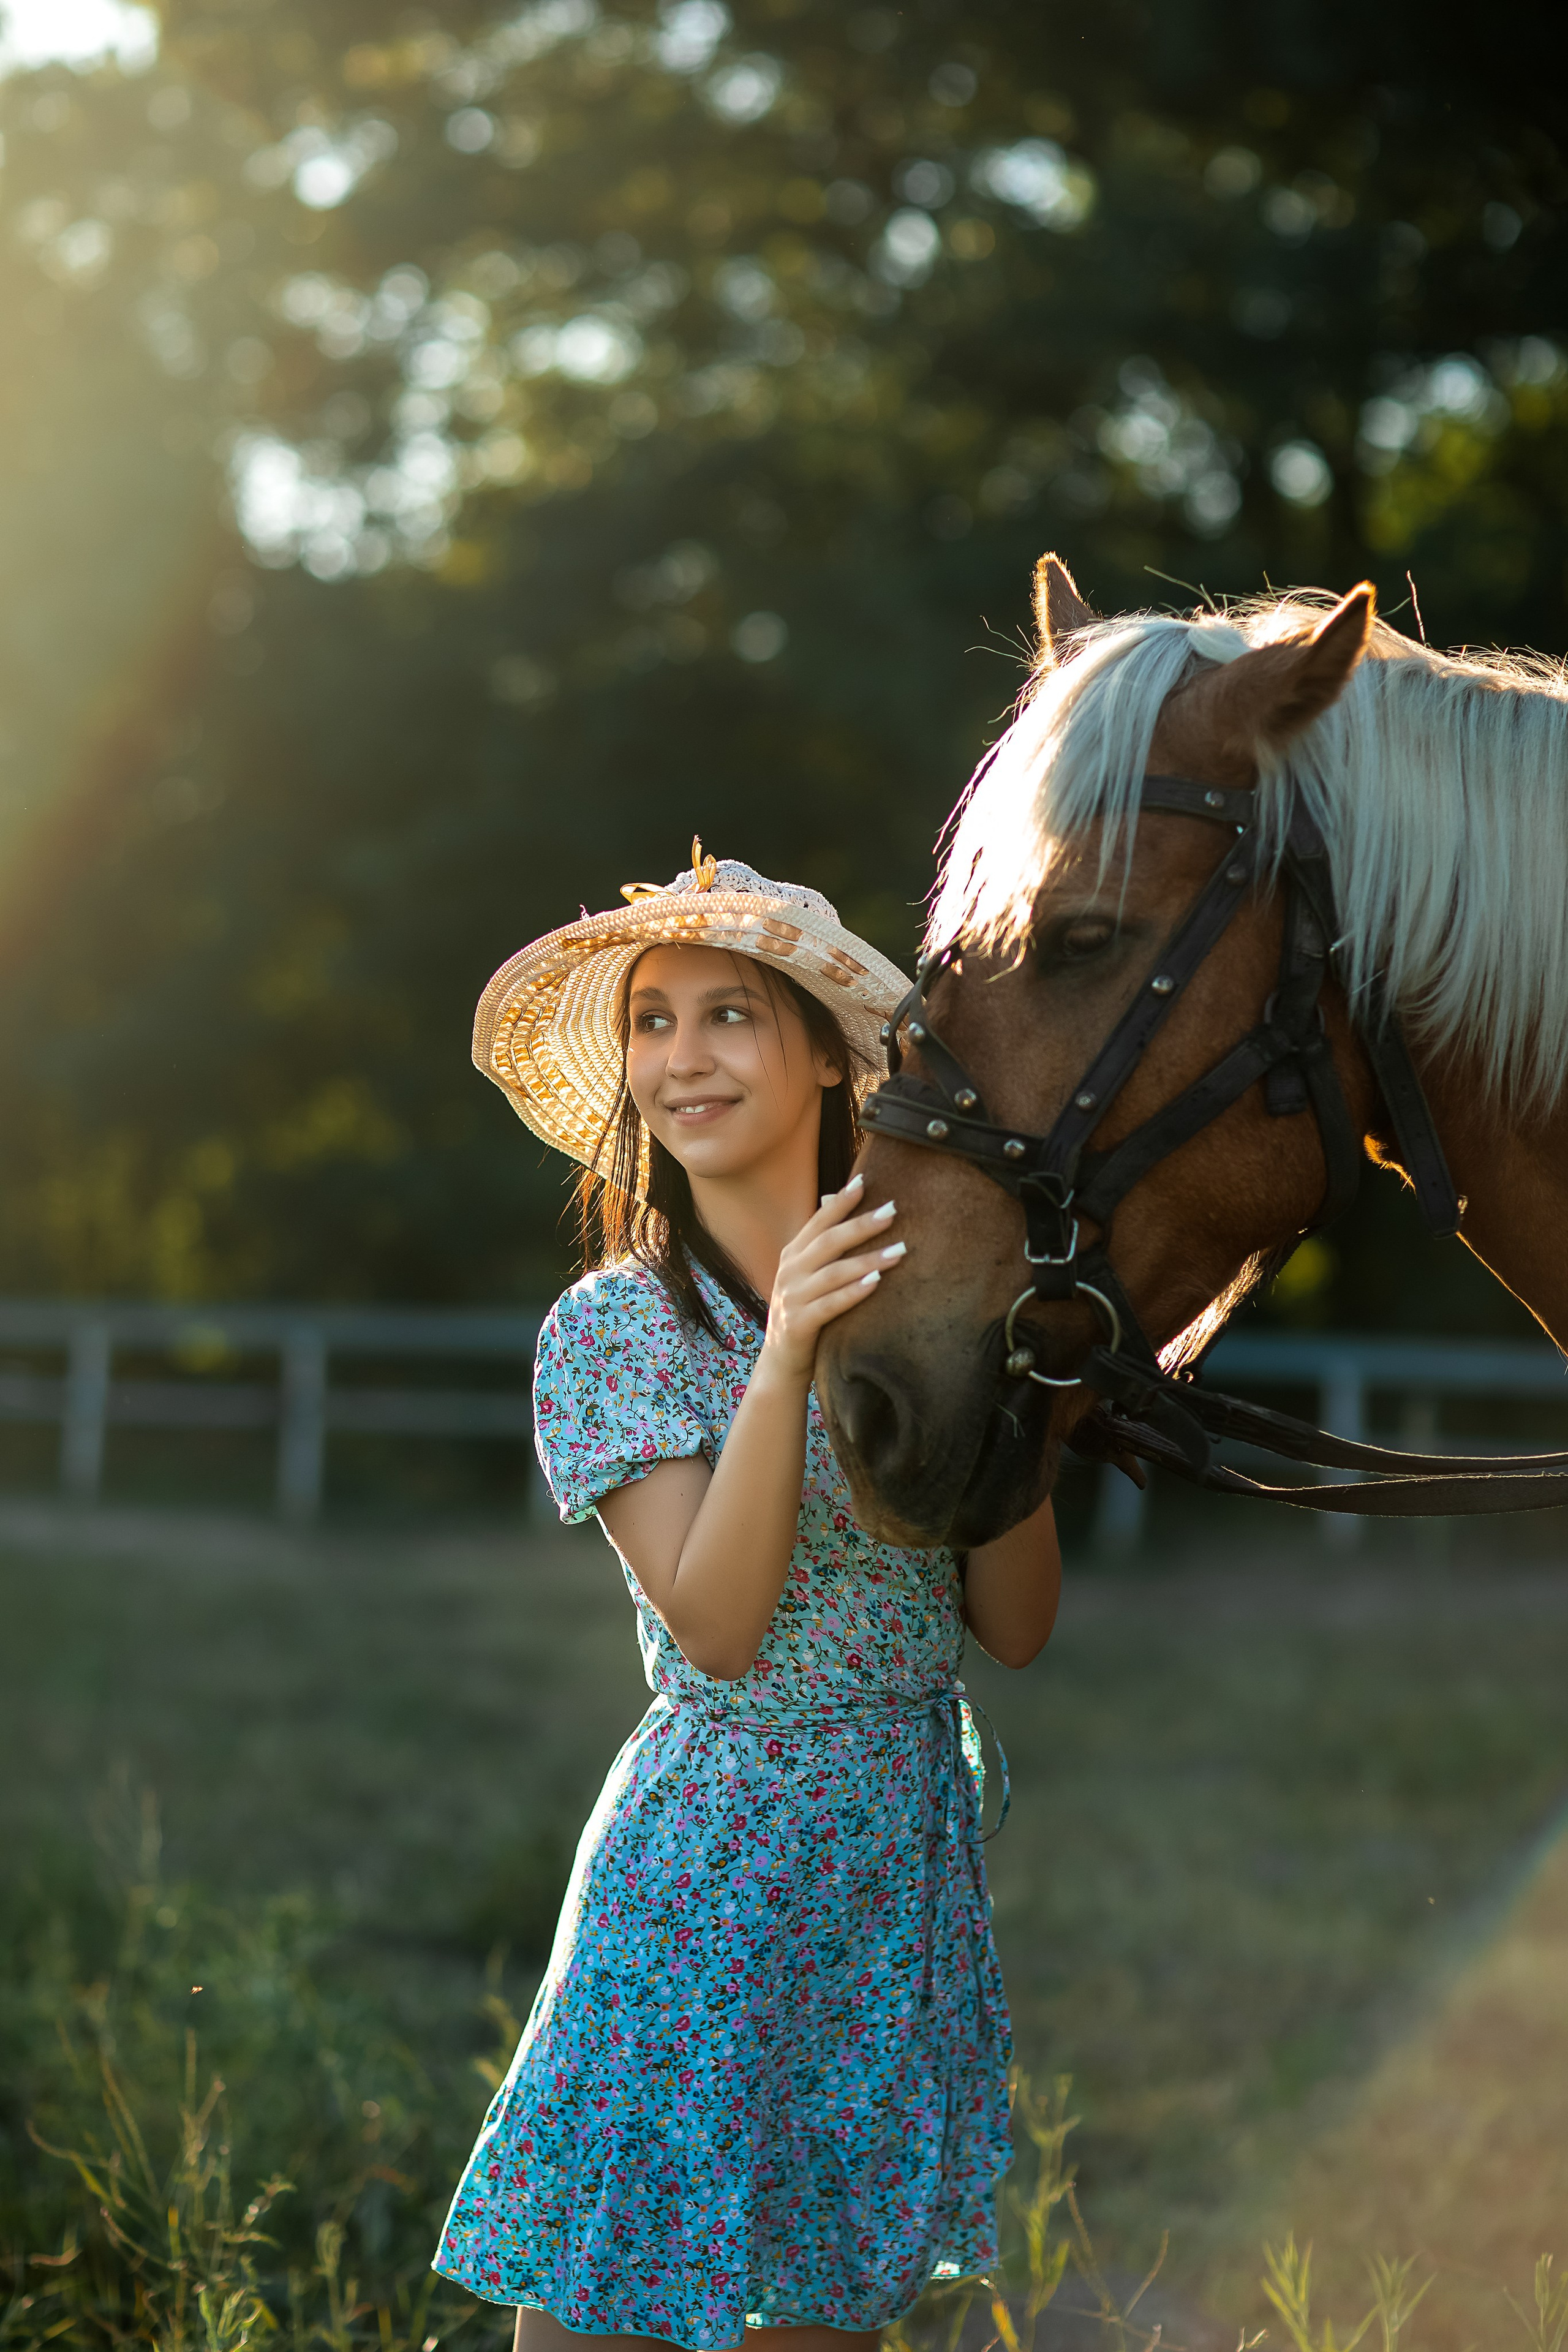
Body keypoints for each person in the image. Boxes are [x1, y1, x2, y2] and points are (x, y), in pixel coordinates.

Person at [434, 843, 1062, 2352]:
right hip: (711, 1859)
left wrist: (1008, 1377)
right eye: (652, 1022)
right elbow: (716, 1631)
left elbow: (1018, 1625)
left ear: (824, 1057)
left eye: (727, 1016)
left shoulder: (930, 1294)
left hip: (892, 1857)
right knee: (601, 2317)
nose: (678, 1058)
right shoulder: (613, 1326)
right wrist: (783, 1356)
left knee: (821, 2316)